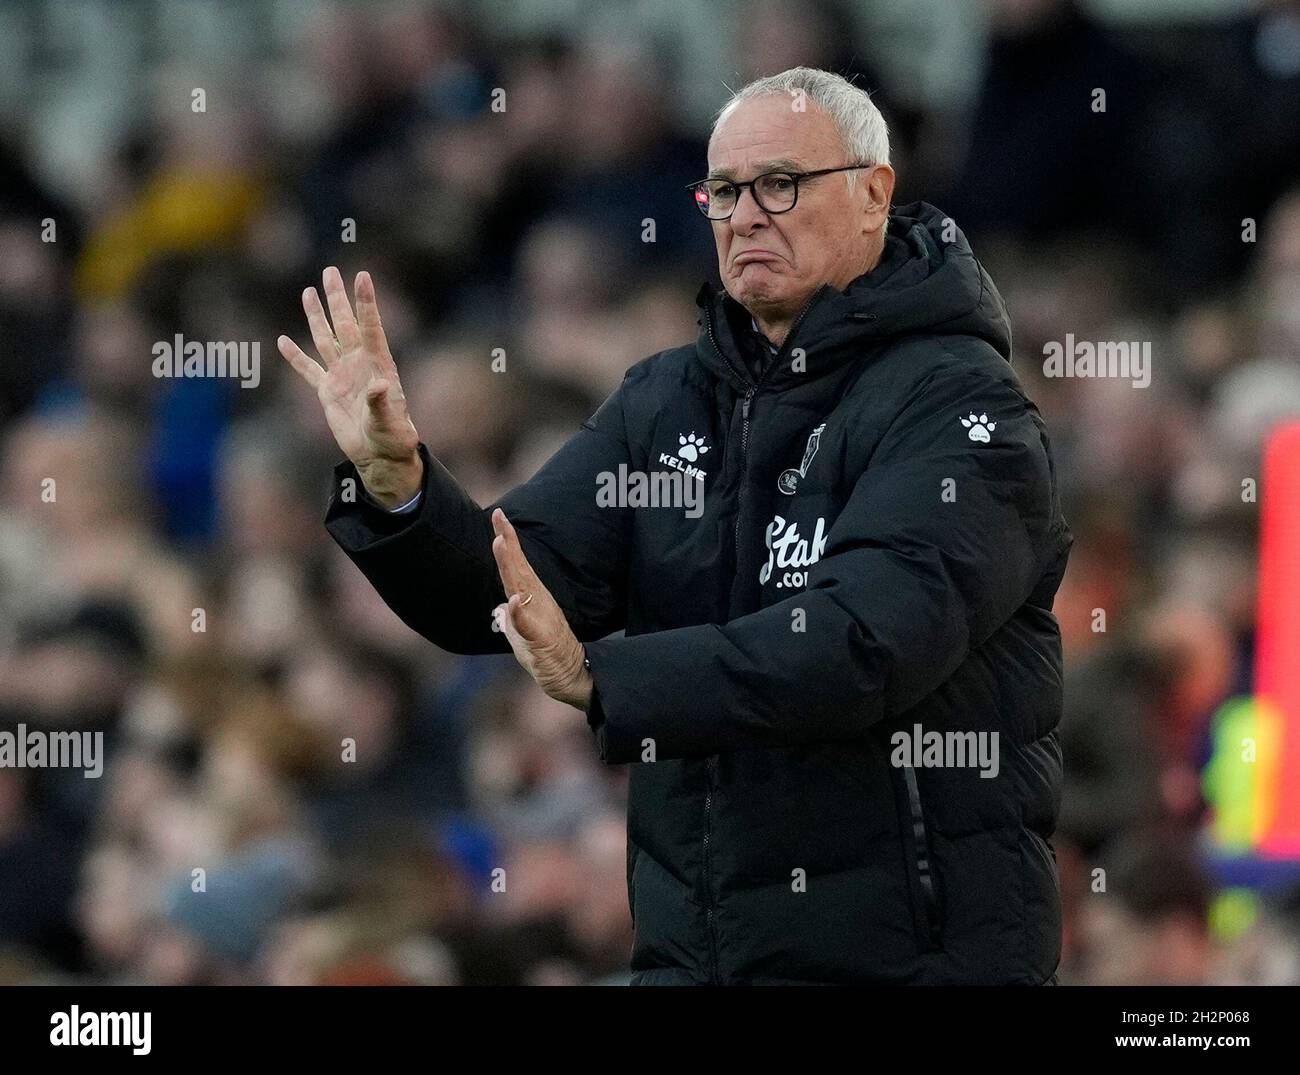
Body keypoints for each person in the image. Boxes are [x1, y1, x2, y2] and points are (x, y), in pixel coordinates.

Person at [277, 67, 1072, 985]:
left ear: (873, 195)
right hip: (697, 960)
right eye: (725, 191)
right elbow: (502, 588)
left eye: (781, 183)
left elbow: (864, 646)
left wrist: (601, 677)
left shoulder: (962, 405)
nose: (745, 215)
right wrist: (400, 485)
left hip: (914, 965)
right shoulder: (667, 400)